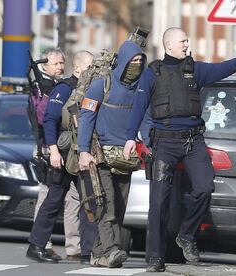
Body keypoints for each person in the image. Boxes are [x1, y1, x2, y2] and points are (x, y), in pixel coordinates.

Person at [123, 27, 236, 272]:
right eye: (183, 41)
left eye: (187, 40)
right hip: (164, 143)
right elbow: (139, 105)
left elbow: (218, 69)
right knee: (159, 202)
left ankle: (186, 235)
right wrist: (131, 137)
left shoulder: (194, 69)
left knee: (205, 187)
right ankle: (155, 257)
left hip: (193, 142)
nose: (187, 44)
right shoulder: (153, 72)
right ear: (169, 45)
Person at [77, 40, 150, 268]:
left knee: (119, 207)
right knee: (106, 205)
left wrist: (146, 144)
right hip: (101, 157)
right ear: (123, 61)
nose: (136, 65)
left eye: (140, 61)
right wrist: (83, 151)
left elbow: (146, 118)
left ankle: (97, 254)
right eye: (132, 61)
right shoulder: (101, 85)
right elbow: (86, 117)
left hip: (126, 159)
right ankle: (111, 250)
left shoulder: (141, 88)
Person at [27, 50, 96, 264]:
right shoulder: (65, 89)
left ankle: (88, 252)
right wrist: (54, 150)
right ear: (77, 68)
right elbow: (49, 120)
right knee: (54, 200)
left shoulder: (90, 89)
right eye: (89, 67)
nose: (93, 71)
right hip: (65, 156)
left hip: (82, 154)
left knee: (89, 202)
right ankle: (36, 245)